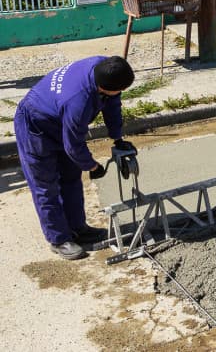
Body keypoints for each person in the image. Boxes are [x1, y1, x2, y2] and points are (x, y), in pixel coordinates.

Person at [13, 56, 136, 260]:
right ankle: (59, 239)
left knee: (71, 177)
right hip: (35, 124)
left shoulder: (106, 67)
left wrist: (117, 138)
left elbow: (113, 104)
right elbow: (73, 145)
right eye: (118, 90)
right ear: (102, 88)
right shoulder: (79, 101)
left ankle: (78, 228)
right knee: (46, 185)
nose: (120, 93)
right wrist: (92, 165)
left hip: (57, 115)